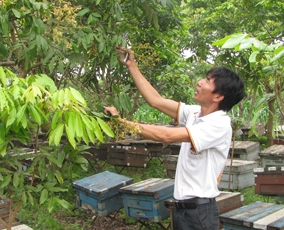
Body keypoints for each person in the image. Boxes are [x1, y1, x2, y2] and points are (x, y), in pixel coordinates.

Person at [104, 46, 245, 230]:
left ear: (218, 96)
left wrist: (121, 122)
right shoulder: (195, 113)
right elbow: (156, 100)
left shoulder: (218, 124)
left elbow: (166, 135)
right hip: (182, 209)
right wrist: (132, 66)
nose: (200, 82)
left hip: (198, 212)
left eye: (208, 81)